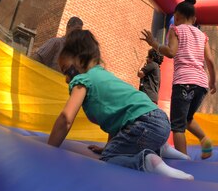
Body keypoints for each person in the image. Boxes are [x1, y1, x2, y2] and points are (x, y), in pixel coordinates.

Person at [47, 29, 193, 180]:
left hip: (144, 125)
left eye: (67, 71)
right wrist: (110, 146)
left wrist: (48, 150)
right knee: (111, 150)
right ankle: (161, 147)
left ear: (79, 59)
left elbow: (65, 119)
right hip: (159, 121)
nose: (66, 79)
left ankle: (146, 161)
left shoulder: (83, 80)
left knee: (108, 158)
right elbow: (118, 122)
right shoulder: (104, 76)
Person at [141, 0, 216, 159]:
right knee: (187, 118)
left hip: (184, 82)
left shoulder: (176, 29)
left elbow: (171, 52)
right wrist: (213, 81)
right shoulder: (202, 36)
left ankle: (183, 159)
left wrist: (154, 43)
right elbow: (209, 60)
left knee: (177, 126)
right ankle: (204, 138)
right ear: (194, 19)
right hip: (201, 84)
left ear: (177, 16)